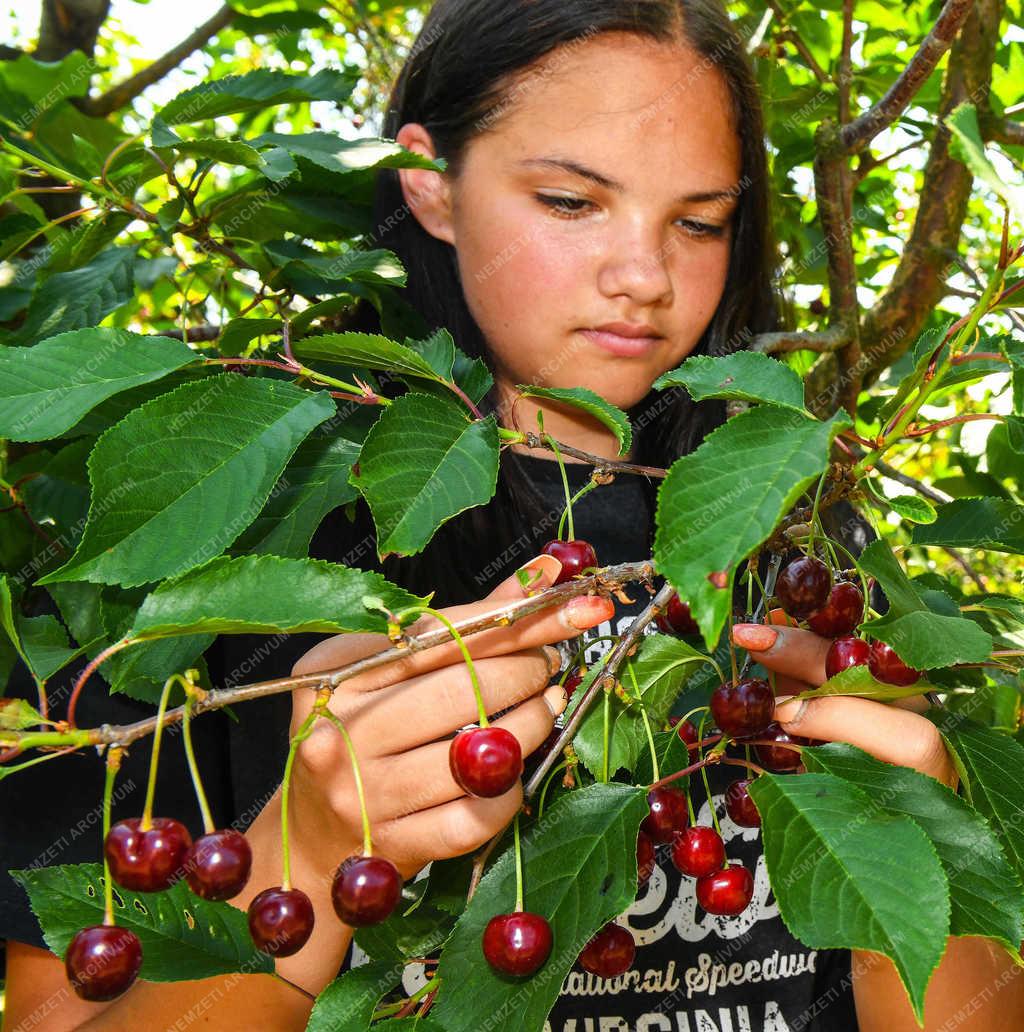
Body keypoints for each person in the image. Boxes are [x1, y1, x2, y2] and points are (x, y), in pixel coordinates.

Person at [2, 1, 1019, 1029]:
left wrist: (912, 837)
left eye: (699, 221)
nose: (644, 278)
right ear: (427, 185)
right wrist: (309, 854)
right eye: (572, 201)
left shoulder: (792, 537)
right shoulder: (172, 578)